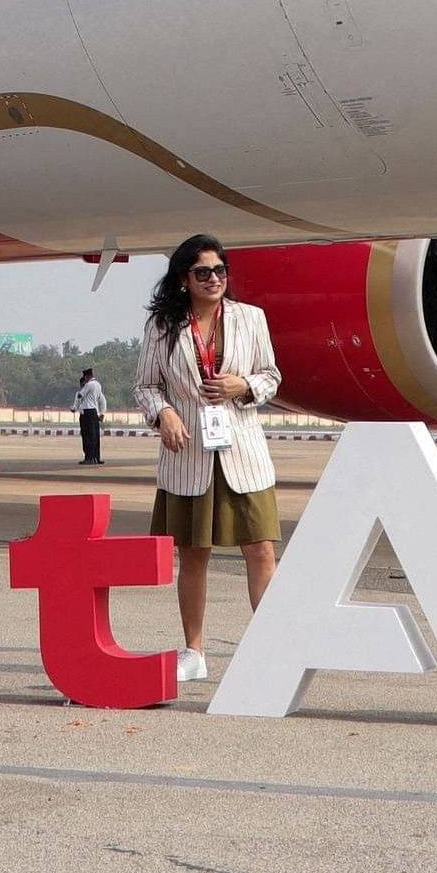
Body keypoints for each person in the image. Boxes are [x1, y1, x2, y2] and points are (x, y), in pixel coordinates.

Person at [133, 235, 280, 682]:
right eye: (203, 272)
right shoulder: (163, 326)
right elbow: (145, 386)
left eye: (220, 271)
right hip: (188, 454)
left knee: (261, 550)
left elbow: (272, 375)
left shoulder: (251, 318)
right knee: (194, 554)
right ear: (184, 279)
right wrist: (165, 414)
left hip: (243, 451)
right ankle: (193, 651)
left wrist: (246, 387)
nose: (214, 279)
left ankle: (272, 646)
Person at [73, 367, 107, 465]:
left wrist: (75, 405)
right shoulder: (98, 385)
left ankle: (89, 458)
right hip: (94, 412)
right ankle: (96, 457)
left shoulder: (89, 385)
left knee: (88, 436)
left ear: (87, 376)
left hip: (87, 413)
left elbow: (80, 395)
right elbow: (102, 400)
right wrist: (102, 413)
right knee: (95, 436)